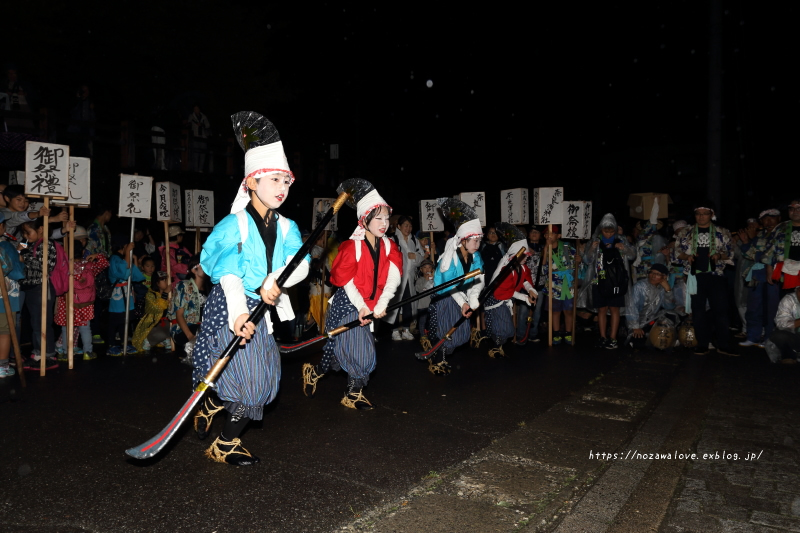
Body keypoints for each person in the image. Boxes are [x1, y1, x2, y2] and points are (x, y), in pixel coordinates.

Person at [191, 111, 309, 466]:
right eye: (274, 179)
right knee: (254, 381)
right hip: (233, 306)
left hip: (263, 307)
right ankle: (225, 444)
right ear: (253, 182)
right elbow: (226, 270)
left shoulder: (288, 226)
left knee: (266, 382)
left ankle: (212, 403)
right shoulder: (235, 224)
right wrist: (239, 310)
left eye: (286, 181)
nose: (282, 188)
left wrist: (277, 281)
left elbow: (300, 263)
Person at [301, 179, 402, 409]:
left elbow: (394, 277)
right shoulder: (351, 247)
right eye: (378, 218)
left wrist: (382, 302)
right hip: (348, 304)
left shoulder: (390, 247)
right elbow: (345, 281)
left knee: (339, 352)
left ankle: (317, 373)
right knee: (359, 348)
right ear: (364, 219)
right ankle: (353, 392)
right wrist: (362, 306)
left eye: (386, 218)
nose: (384, 223)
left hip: (370, 305)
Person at [425, 198, 485, 375]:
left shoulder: (476, 257)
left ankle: (440, 355)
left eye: (478, 240)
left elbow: (479, 279)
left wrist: (473, 299)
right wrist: (463, 303)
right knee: (444, 331)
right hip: (445, 298)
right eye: (473, 240)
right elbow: (448, 286)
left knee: (461, 336)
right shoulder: (448, 260)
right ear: (463, 240)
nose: (477, 244)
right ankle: (437, 361)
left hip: (462, 298)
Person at [676, 202, 736, 356]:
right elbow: (676, 253)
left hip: (716, 276)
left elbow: (730, 253)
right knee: (698, 311)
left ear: (711, 214)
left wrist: (719, 256)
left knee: (721, 311)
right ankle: (702, 343)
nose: (701, 216)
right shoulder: (686, 231)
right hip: (695, 276)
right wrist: (687, 256)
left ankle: (723, 344)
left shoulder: (722, 231)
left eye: (705, 213)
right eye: (698, 213)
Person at [579, 213, 636, 349]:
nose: (609, 234)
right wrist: (592, 248)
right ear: (600, 230)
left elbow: (633, 255)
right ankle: (603, 337)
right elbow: (587, 260)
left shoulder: (621, 239)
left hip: (616, 281)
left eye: (611, 231)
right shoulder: (595, 241)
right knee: (602, 309)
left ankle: (613, 338)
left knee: (614, 309)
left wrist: (625, 248)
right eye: (606, 231)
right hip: (599, 280)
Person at [483, 223, 536, 357]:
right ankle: (494, 347)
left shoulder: (522, 267)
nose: (527, 257)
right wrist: (524, 298)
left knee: (504, 328)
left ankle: (496, 345)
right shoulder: (506, 269)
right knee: (503, 327)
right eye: (524, 255)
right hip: (496, 298)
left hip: (505, 299)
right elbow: (505, 290)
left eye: (526, 255)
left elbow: (525, 280)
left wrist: (531, 291)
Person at [54, 240, 109, 361]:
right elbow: (104, 263)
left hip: (67, 301)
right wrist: (97, 255)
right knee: (85, 327)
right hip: (86, 302)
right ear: (83, 252)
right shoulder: (89, 266)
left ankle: (65, 352)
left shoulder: (65, 267)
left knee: (66, 327)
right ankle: (87, 352)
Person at [18, 218, 59, 370]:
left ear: (41, 229)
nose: (25, 235)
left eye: (28, 232)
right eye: (23, 232)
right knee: (36, 324)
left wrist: (25, 254)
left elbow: (44, 266)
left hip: (41, 287)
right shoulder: (31, 244)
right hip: (30, 287)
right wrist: (22, 247)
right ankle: (38, 353)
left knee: (43, 323)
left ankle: (48, 355)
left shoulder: (47, 244)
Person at [738, 210, 781, 347]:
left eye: (772, 218)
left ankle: (769, 338)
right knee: (754, 308)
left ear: (779, 219)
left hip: (773, 276)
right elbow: (750, 254)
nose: (768, 221)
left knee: (771, 310)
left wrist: (751, 242)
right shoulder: (761, 234)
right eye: (765, 219)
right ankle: (753, 337)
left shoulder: (782, 234)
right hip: (757, 276)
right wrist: (746, 241)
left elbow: (766, 256)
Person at [388, 215, 427, 341]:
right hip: (396, 278)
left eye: (410, 226)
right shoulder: (392, 239)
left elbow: (421, 257)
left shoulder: (414, 240)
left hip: (410, 278)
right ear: (398, 226)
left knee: (408, 305)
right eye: (405, 225)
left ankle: (406, 329)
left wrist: (415, 256)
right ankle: (394, 331)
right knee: (395, 305)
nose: (408, 228)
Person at [541, 225, 580, 345]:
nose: (549, 236)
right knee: (555, 311)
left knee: (568, 310)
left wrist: (579, 260)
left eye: (552, 233)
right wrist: (545, 251)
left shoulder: (568, 248)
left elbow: (577, 265)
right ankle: (556, 333)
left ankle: (568, 333)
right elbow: (543, 271)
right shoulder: (544, 249)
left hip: (568, 284)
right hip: (553, 285)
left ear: (558, 236)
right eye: (547, 233)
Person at [106, 235, 144, 356]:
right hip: (118, 296)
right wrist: (128, 254)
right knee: (115, 321)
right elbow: (123, 272)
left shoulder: (124, 258)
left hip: (127, 295)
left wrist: (134, 259)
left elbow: (137, 276)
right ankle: (111, 345)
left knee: (125, 321)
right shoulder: (114, 259)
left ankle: (124, 343)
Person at [625, 264, 676, 349]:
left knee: (671, 316)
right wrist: (635, 327)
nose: (653, 276)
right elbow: (631, 307)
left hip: (652, 320)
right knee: (639, 344)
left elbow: (669, 307)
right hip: (638, 321)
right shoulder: (640, 286)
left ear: (664, 277)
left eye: (657, 274)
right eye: (651, 273)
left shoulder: (662, 288)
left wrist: (668, 290)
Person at [168, 256, 208, 361]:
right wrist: (191, 336)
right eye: (204, 265)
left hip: (200, 329)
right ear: (194, 270)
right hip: (183, 330)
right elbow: (179, 315)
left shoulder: (209, 289)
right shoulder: (184, 286)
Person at [0, 213, 25, 379]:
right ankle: (2, 366)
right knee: (5, 331)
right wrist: (19, 258)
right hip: (5, 297)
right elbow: (16, 272)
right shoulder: (5, 246)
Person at [761, 200, 800, 295]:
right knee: (787, 301)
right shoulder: (781, 228)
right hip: (786, 270)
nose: (795, 211)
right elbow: (770, 249)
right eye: (791, 209)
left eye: (798, 208)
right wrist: (769, 269)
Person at [1, 184, 65, 240]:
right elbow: (16, 216)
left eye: (26, 201)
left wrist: (64, 230)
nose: (22, 203)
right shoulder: (3, 215)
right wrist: (38, 214)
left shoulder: (28, 219)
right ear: (7, 198)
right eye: (19, 199)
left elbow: (41, 236)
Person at [132, 272, 172, 353]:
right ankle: (148, 339)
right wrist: (165, 294)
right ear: (157, 283)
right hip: (152, 324)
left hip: (165, 322)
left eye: (167, 279)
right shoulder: (150, 294)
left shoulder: (170, 294)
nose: (167, 282)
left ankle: (164, 338)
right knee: (161, 333)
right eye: (163, 280)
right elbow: (157, 308)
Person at [764, 285, 800, 364]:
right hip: (795, 336)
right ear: (796, 289)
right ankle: (789, 355)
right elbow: (780, 323)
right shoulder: (789, 299)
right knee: (778, 335)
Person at [415, 259, 435, 349]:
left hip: (432, 304)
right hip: (422, 305)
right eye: (425, 268)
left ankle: (432, 334)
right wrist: (426, 281)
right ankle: (423, 336)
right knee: (422, 320)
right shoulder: (420, 280)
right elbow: (419, 289)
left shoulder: (434, 279)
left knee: (432, 320)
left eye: (429, 267)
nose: (427, 269)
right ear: (421, 270)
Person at [188, 104, 211, 172]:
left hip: (203, 138)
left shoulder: (203, 117)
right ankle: (195, 169)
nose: (196, 110)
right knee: (196, 154)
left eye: (197, 109)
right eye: (194, 109)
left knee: (202, 155)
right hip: (195, 137)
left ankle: (200, 169)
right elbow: (189, 124)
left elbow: (208, 125)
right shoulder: (191, 116)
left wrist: (202, 125)